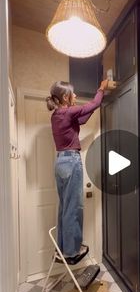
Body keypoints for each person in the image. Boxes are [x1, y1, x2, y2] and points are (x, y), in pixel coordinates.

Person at [46, 79, 108, 264]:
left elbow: (82, 117)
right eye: (73, 94)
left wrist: (91, 109)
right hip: (71, 161)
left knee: (65, 206)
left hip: (60, 163)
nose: (76, 96)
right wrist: (101, 89)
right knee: (74, 207)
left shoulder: (57, 114)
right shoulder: (69, 111)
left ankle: (63, 248)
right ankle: (72, 251)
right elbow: (95, 103)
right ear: (65, 97)